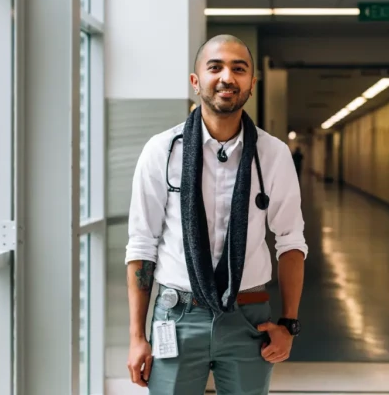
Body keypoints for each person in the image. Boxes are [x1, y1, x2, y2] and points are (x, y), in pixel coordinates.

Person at [124, 34, 308, 395]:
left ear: (251, 85)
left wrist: (288, 323)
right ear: (196, 82)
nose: (227, 77)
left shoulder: (273, 154)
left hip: (249, 319)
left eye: (239, 69)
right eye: (215, 67)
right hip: (176, 317)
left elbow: (291, 242)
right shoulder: (162, 151)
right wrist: (135, 336)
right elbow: (142, 245)